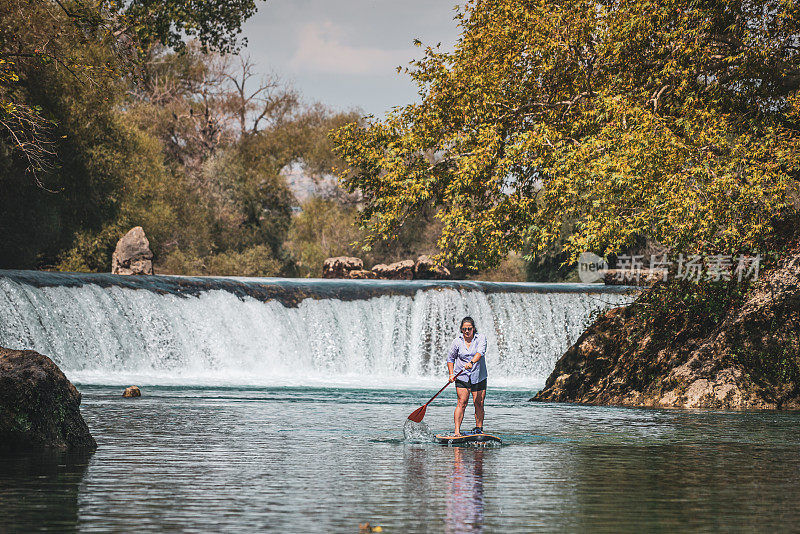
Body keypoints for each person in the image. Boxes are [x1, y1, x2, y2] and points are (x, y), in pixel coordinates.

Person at [447, 316, 487, 436]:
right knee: (462, 402)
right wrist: (451, 374)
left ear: (473, 328)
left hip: (478, 375)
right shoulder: (457, 342)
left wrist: (471, 362)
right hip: (462, 376)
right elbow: (450, 358)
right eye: (464, 329)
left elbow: (480, 352)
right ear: (461, 329)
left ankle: (479, 429)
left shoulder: (481, 338)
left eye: (469, 328)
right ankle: (457, 431)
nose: (467, 331)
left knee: (478, 403)